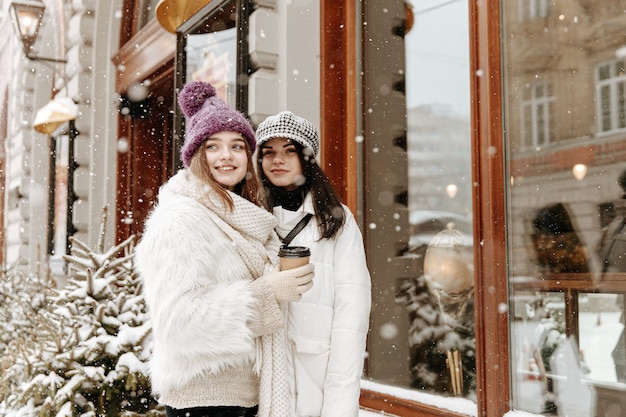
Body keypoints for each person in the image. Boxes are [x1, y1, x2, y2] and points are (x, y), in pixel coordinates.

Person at [134, 82, 315, 417]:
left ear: (248, 155)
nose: (227, 156)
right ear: (196, 156)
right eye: (213, 146)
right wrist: (265, 292)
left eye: (237, 146)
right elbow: (178, 323)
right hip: (204, 398)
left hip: (242, 395)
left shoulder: (243, 215)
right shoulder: (182, 219)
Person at [255, 111, 372, 417]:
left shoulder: (337, 222)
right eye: (268, 152)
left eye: (288, 151)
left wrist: (339, 409)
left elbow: (351, 321)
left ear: (306, 158)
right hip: (257, 384)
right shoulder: (250, 217)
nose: (276, 160)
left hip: (315, 381)